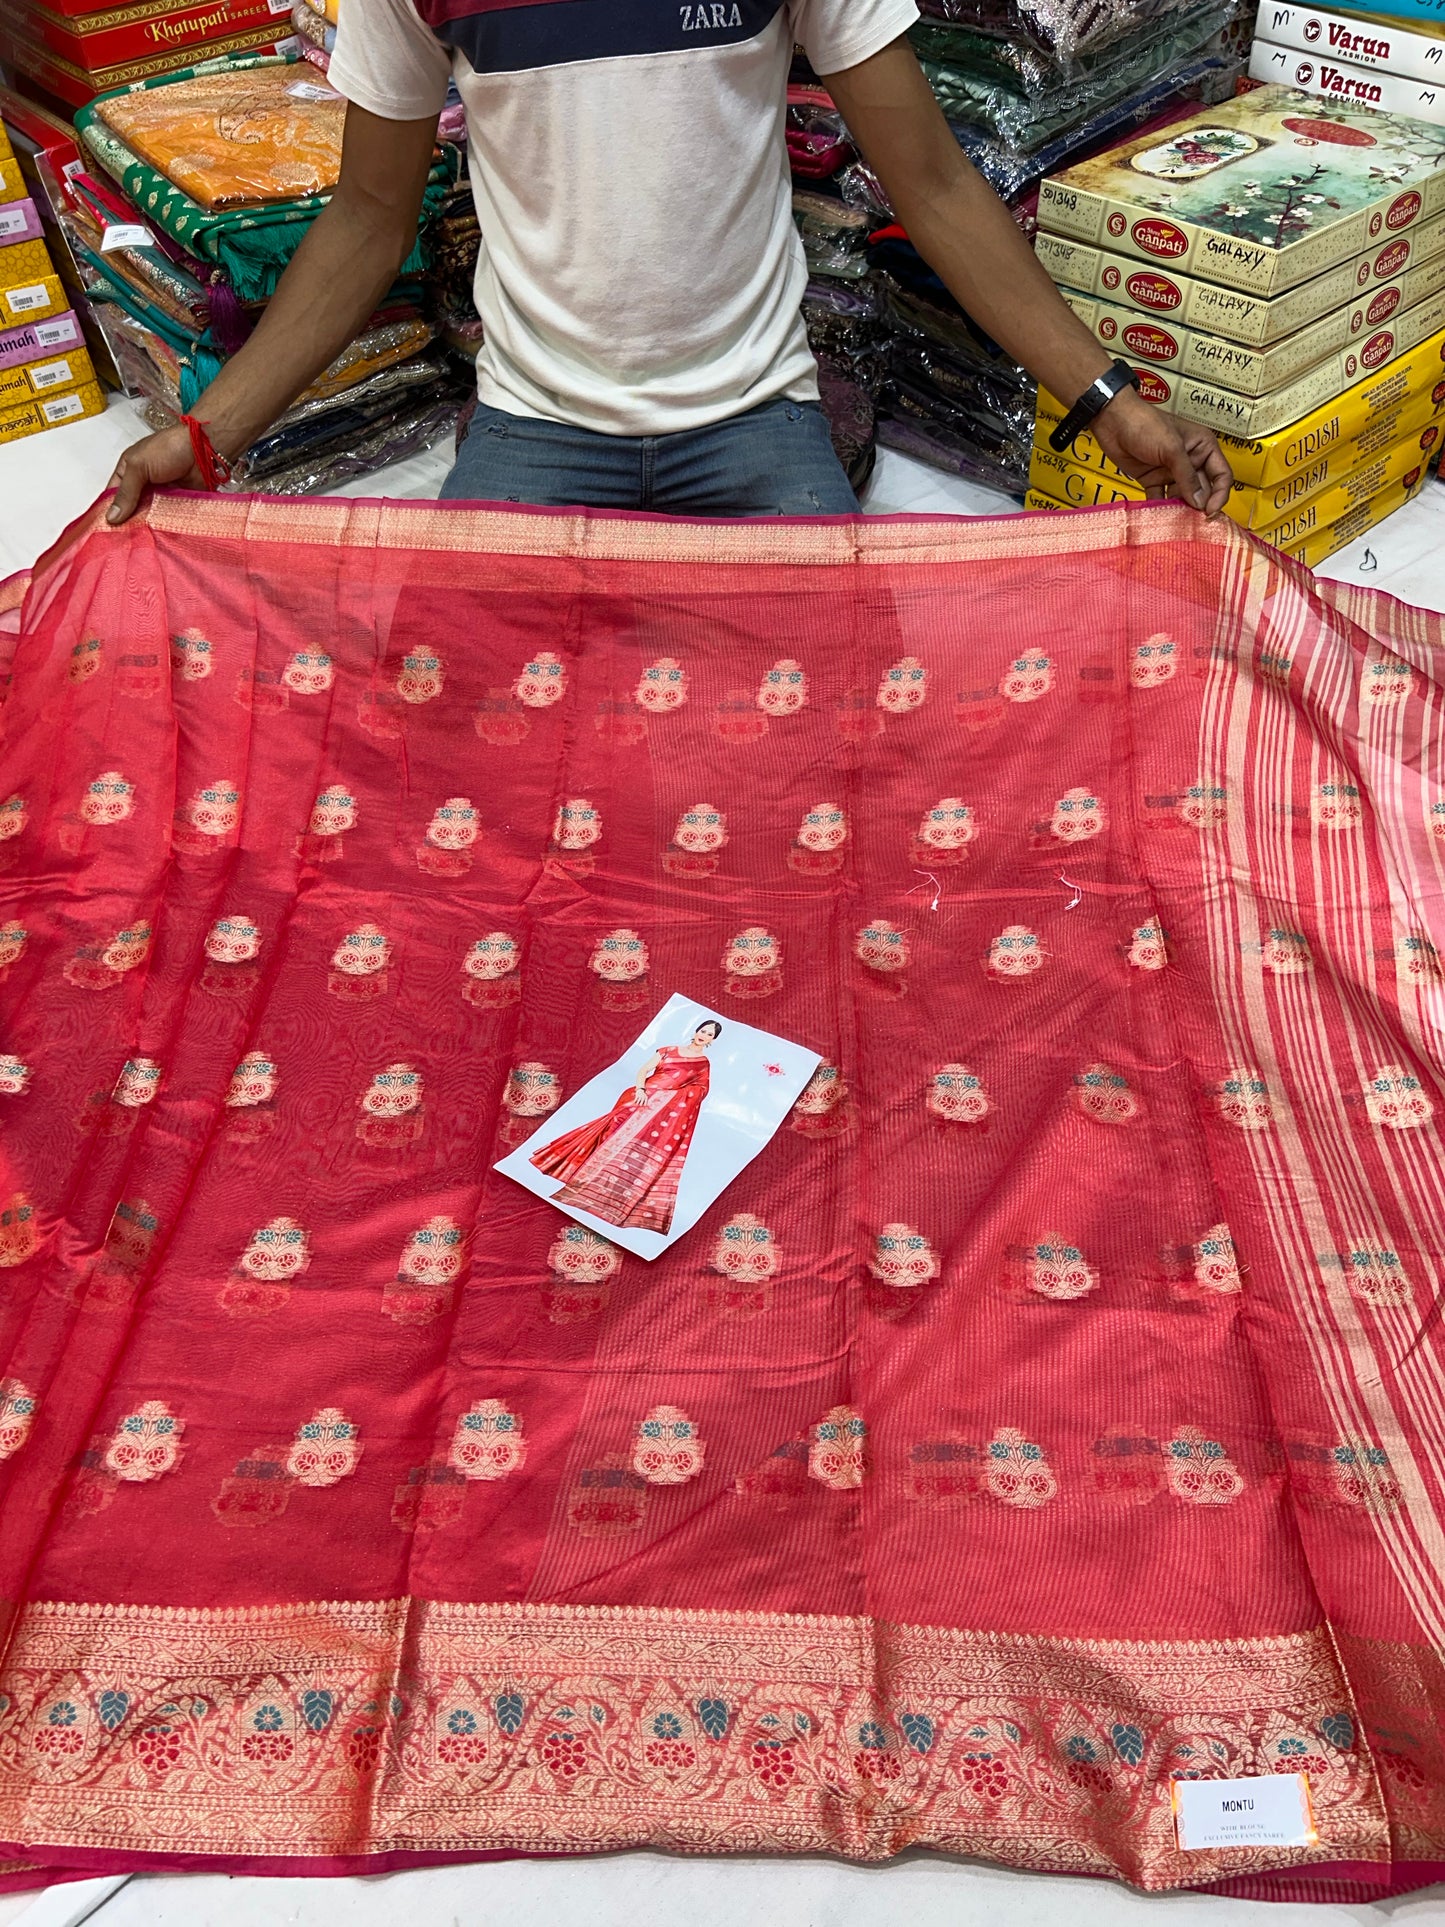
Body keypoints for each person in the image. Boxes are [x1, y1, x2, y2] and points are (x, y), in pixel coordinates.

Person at [106, 0, 1233, 524]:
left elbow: (932, 182)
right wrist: (203, 436)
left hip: (754, 418)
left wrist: (1104, 400)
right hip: (534, 428)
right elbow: (365, 215)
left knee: (839, 752)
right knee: (465, 770)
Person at [530, 1021, 720, 1235]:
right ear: (696, 1031)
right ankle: (580, 1176)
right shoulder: (668, 1050)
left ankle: (616, 1194)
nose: (704, 1035)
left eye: (709, 1034)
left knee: (635, 1148)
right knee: (612, 1134)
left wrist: (671, 1097)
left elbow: (700, 1089)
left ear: (713, 1040)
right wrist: (641, 1089)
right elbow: (644, 1070)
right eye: (703, 1030)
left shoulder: (703, 1064)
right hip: (641, 1098)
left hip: (665, 1111)